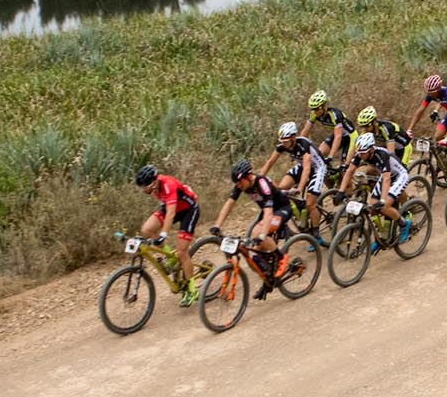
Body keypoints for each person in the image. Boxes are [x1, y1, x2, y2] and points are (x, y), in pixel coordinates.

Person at [209, 159, 293, 291]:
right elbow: (229, 203)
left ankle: (281, 258)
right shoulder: (242, 184)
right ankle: (269, 278)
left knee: (258, 234)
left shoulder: (262, 183)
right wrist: (217, 226)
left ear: (247, 177)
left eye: (239, 182)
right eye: (236, 183)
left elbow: (268, 212)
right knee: (255, 254)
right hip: (267, 211)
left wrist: (262, 234)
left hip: (281, 208)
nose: (238, 186)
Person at [136, 163, 203, 302]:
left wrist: (163, 235)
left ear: (154, 182)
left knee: (181, 252)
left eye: (145, 186)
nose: (143, 190)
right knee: (147, 229)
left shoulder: (168, 184)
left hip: (188, 210)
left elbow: (171, 213)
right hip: (172, 207)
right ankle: (171, 259)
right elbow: (167, 208)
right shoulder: (154, 188)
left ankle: (192, 289)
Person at [349, 131, 415, 246]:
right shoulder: (361, 153)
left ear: (371, 150)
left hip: (399, 176)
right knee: (372, 207)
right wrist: (341, 192)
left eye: (362, 153)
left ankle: (404, 225)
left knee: (384, 206)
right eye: (359, 153)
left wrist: (383, 200)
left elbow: (386, 179)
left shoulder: (382, 155)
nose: (360, 155)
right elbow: (349, 171)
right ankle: (382, 236)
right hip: (386, 176)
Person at [273, 120, 332, 233]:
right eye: (282, 141)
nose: (283, 144)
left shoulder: (303, 145)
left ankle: (315, 233)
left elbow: (307, 169)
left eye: (286, 141)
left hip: (317, 168)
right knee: (281, 188)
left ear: (293, 138)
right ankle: (300, 209)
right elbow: (270, 162)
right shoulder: (283, 146)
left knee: (310, 204)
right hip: (303, 166)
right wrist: (259, 177)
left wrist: (300, 188)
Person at [302, 90, 352, 170]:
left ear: (324, 106)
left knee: (345, 168)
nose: (315, 112)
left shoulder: (335, 114)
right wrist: (298, 146)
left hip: (350, 138)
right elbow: (305, 130)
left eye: (317, 109)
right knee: (319, 155)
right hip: (339, 135)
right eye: (313, 109)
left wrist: (331, 156)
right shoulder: (314, 114)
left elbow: (338, 137)